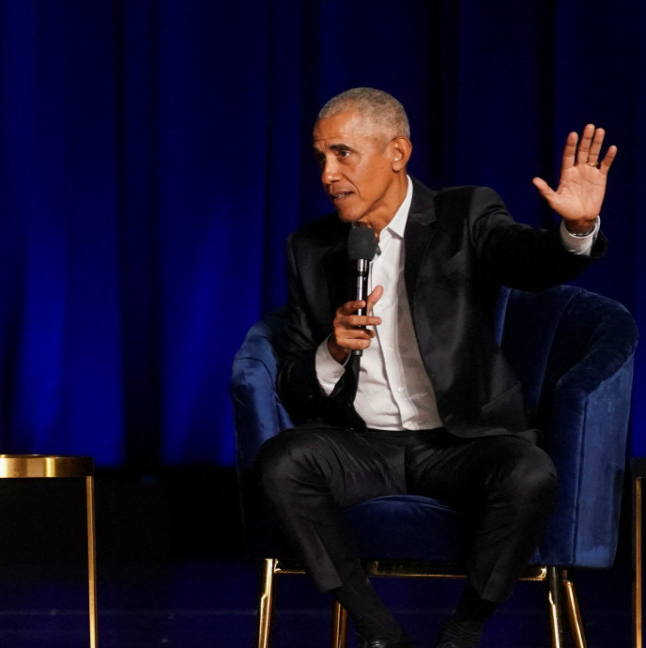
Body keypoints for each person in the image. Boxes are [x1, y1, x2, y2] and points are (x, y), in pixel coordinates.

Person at [255, 87, 615, 648]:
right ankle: (379, 631)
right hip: (363, 443)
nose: (327, 174)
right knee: (280, 462)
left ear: (397, 152)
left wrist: (574, 232)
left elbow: (531, 262)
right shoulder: (311, 247)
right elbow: (295, 381)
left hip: (459, 442)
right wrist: (333, 350)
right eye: (320, 156)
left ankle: (463, 630)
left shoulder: (464, 214)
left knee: (530, 472)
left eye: (343, 153)